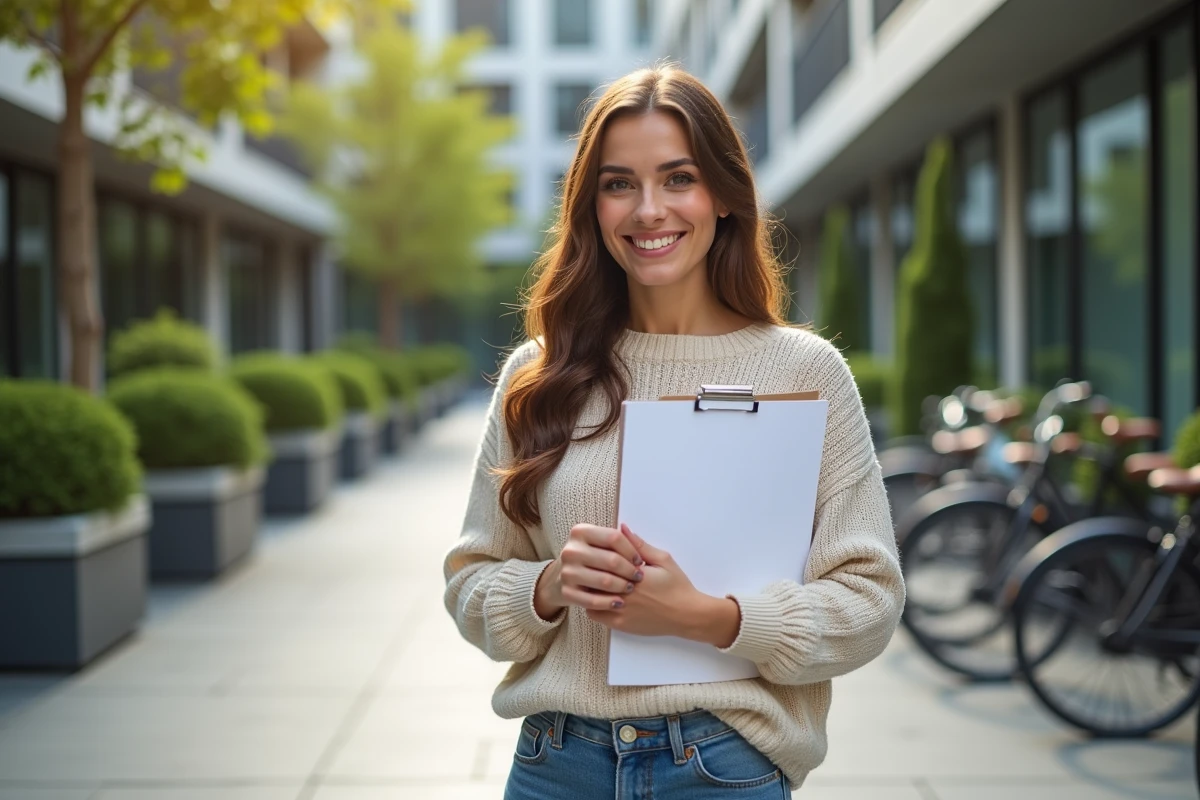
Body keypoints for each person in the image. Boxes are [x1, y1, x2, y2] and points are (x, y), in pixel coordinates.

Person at [443, 64, 904, 799]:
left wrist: (714, 619)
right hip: (556, 764)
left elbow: (870, 602)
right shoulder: (539, 373)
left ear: (723, 195)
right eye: (619, 183)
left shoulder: (805, 372)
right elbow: (470, 582)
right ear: (592, 206)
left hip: (724, 764)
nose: (648, 209)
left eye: (678, 178)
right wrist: (547, 587)